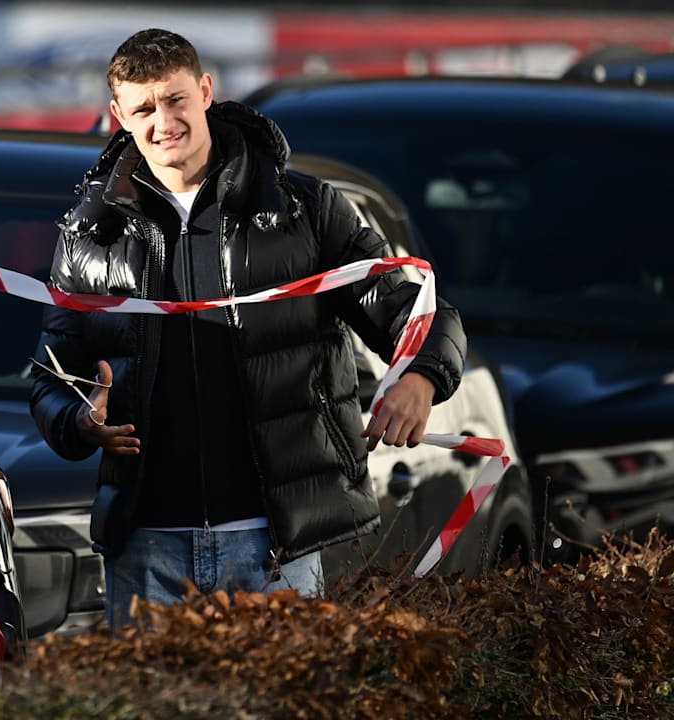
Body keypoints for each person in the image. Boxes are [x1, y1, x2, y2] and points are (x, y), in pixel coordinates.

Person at [29, 28, 466, 627]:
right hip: (145, 545)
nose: (163, 121)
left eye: (175, 99)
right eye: (143, 108)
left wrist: (422, 376)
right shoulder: (89, 237)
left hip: (275, 545)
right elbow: (50, 375)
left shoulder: (302, 209)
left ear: (206, 90)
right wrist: (79, 421)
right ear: (117, 116)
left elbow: (415, 309)